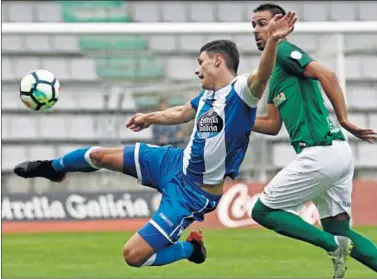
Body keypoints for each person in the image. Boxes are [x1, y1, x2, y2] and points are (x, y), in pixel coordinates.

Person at [13, 12, 296, 268]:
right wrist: (148, 117)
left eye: (201, 63)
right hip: (172, 162)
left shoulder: (241, 91)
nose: (197, 70)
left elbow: (263, 75)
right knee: (100, 156)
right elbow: (181, 112)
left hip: (192, 194)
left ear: (218, 60)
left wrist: (271, 41)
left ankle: (190, 249)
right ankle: (52, 167)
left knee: (133, 256)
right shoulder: (207, 96)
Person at [250, 3, 377, 278]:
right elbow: (272, 126)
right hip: (336, 154)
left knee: (262, 212)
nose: (256, 31)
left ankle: (332, 246)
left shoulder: (284, 51)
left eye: (262, 23)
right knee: (339, 228)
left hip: (321, 151)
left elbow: (327, 74)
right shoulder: (274, 76)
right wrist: (237, 121)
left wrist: (344, 119)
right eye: (253, 26)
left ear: (279, 24)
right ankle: (337, 240)